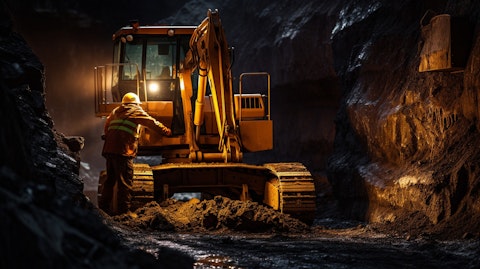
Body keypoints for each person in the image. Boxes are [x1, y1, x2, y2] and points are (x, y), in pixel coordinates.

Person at [100, 92, 171, 215]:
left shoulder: (115, 111)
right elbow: (151, 122)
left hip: (109, 150)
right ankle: (124, 212)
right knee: (125, 182)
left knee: (110, 181)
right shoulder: (135, 110)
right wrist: (166, 131)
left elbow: (106, 128)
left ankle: (103, 210)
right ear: (136, 103)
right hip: (123, 150)